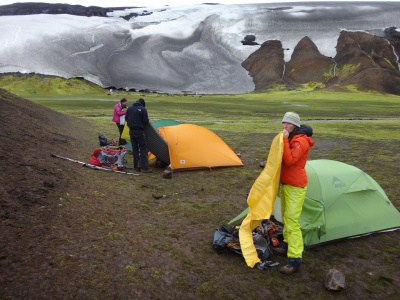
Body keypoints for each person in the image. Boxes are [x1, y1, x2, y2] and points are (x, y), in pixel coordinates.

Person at [275, 112, 314, 275]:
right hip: (285, 184)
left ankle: (295, 259)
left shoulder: (301, 141)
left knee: (292, 220)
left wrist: (283, 139)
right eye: (283, 123)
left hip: (295, 186)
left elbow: (290, 160)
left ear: (295, 126)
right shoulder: (291, 137)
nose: (285, 126)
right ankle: (285, 244)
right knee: (285, 216)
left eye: (288, 124)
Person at [125, 98, 152, 173]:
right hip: (139, 131)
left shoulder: (130, 108)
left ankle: (136, 166)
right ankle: (144, 167)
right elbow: (146, 121)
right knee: (143, 148)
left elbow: (126, 118)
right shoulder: (143, 109)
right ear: (143, 104)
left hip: (131, 131)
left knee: (135, 148)